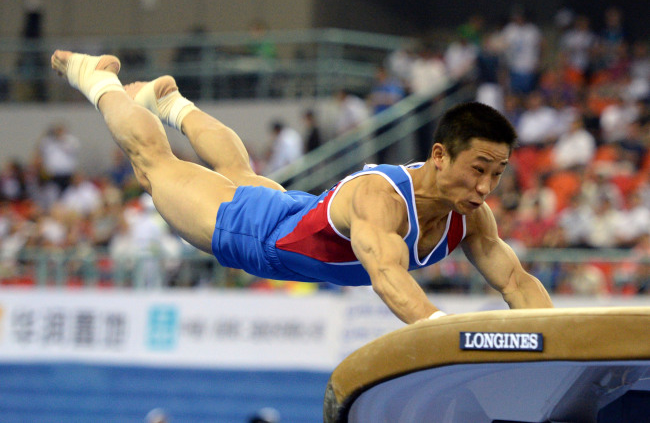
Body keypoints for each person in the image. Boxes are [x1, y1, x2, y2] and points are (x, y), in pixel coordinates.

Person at [50, 50, 553, 324]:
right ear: (439, 155)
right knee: (154, 166)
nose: (487, 186)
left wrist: (560, 340)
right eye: (479, 168)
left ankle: (173, 104)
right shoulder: (381, 198)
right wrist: (444, 334)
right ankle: (96, 80)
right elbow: (389, 280)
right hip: (252, 235)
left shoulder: (471, 216)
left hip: (293, 212)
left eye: (498, 173)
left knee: (240, 174)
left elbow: (516, 283)